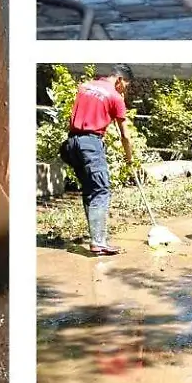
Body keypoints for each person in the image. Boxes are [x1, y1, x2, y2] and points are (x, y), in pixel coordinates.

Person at [59, 66, 137, 257]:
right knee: (101, 190)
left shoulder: (85, 86)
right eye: (125, 85)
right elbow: (125, 135)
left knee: (89, 190)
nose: (124, 90)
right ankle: (99, 243)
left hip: (71, 144)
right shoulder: (115, 97)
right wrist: (129, 158)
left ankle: (96, 238)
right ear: (119, 80)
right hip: (91, 145)